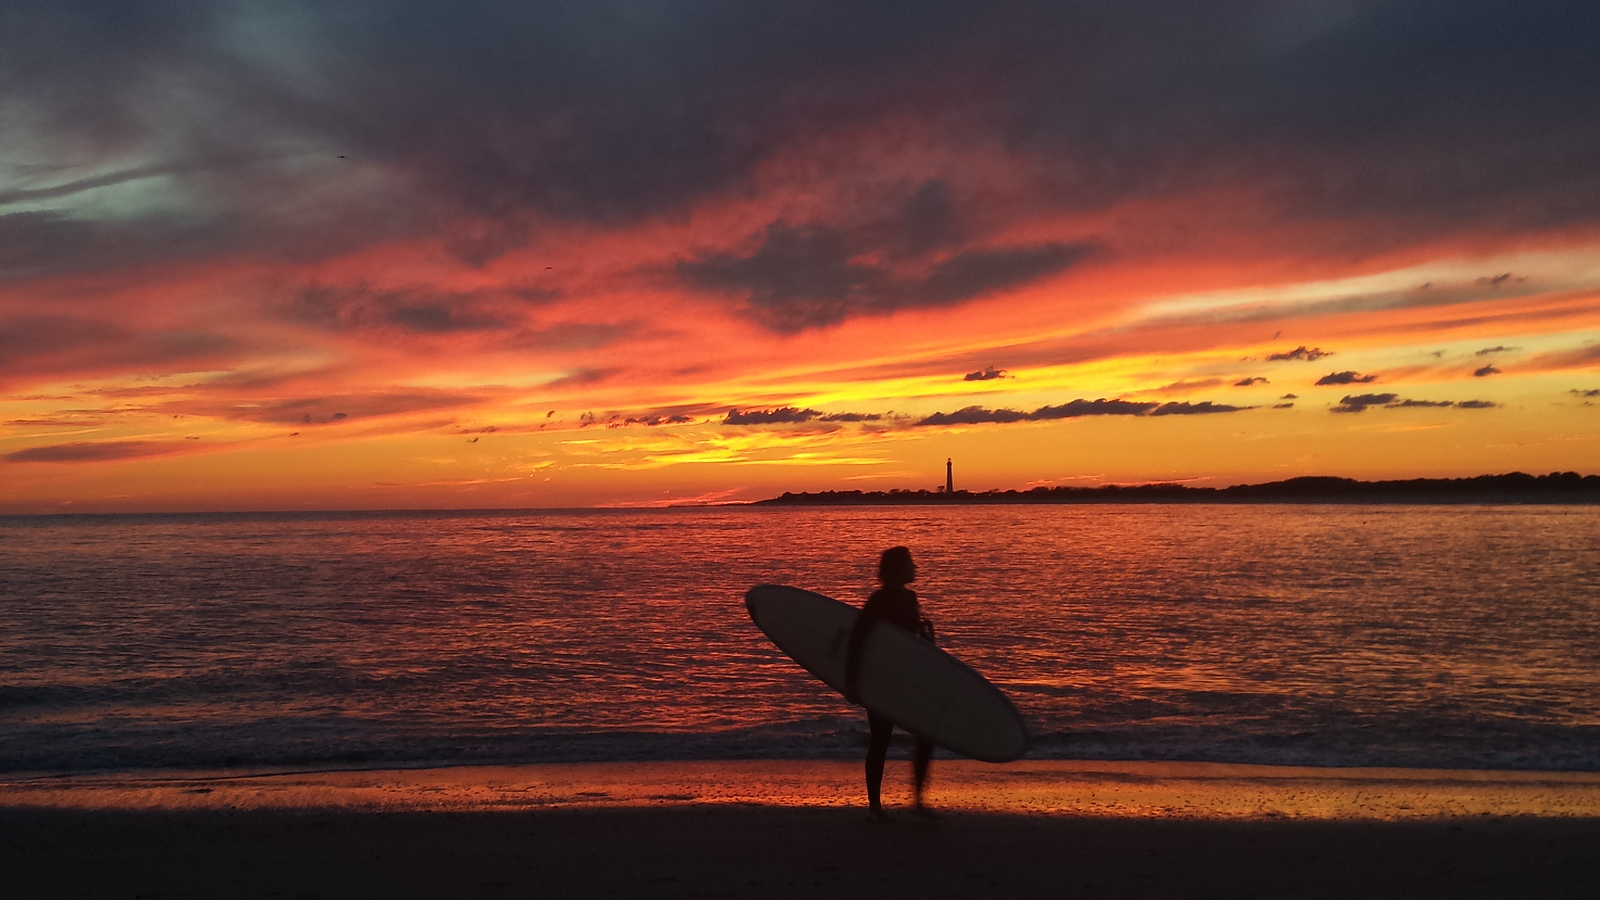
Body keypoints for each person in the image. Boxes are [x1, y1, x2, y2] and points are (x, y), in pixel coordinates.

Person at [845, 545, 936, 819]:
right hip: (882, 679)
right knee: (881, 740)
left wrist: (926, 635)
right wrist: (852, 683)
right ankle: (875, 806)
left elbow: (912, 643)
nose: (915, 568)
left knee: (925, 734)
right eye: (911, 563)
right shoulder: (879, 600)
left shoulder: (910, 598)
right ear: (899, 568)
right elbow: (857, 640)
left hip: (908, 679)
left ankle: (918, 801)